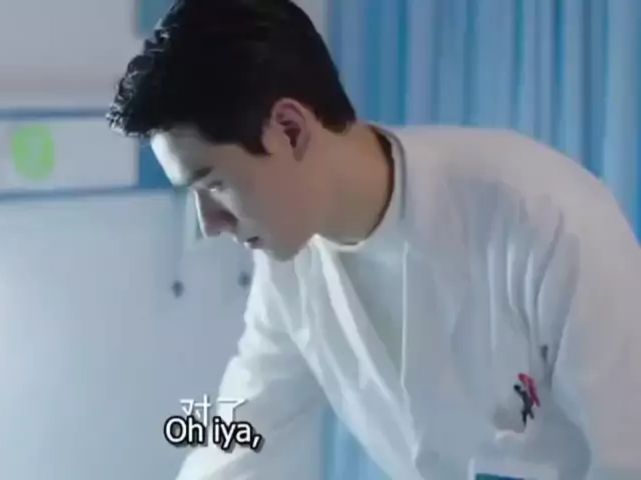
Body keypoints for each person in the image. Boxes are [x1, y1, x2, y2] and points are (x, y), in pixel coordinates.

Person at [107, 1, 641, 478]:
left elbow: (629, 456)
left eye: (214, 184)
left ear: (290, 129)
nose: (209, 224)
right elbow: (242, 430)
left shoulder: (547, 221)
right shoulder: (292, 267)